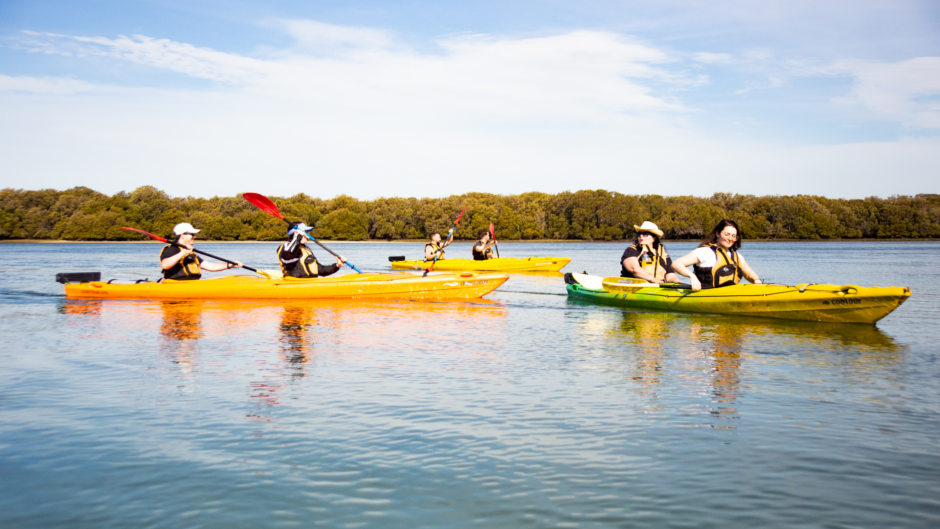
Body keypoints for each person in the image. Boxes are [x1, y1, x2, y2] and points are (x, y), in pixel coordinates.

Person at [671, 219, 762, 291]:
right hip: (705, 295)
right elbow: (676, 264)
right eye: (727, 234)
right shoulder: (705, 252)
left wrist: (756, 280)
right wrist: (692, 277)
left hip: (730, 294)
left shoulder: (737, 257)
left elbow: (750, 274)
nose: (730, 239)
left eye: (734, 236)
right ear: (718, 234)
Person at [160, 222, 242, 280]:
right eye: (192, 234)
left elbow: (209, 266)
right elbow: (165, 265)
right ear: (182, 235)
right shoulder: (171, 249)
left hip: (192, 284)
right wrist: (183, 253)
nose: (194, 237)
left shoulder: (191, 253)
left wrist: (229, 265)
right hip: (175, 285)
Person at [277, 222, 346, 278]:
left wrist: (337, 266)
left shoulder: (305, 249)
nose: (308, 236)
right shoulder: (285, 246)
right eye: (306, 232)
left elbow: (320, 270)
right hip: (294, 284)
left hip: (309, 283)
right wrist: (298, 237)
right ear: (296, 233)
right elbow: (289, 252)